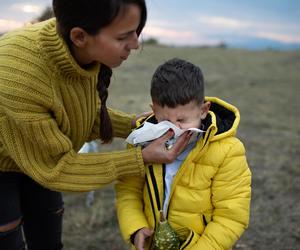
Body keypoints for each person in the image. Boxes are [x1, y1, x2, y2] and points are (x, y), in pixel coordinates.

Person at [0, 1, 191, 249]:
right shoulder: (21, 76)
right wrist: (139, 159)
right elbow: (57, 166)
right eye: (123, 36)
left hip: (41, 148)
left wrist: (139, 124)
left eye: (136, 31)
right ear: (80, 36)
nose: (135, 44)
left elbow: (75, 115)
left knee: (47, 234)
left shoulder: (74, 43)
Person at [116, 58, 252, 250]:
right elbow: (128, 192)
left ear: (203, 111)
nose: (174, 128)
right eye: (164, 120)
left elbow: (231, 216)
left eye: (182, 120)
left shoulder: (228, 151)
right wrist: (136, 228)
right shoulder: (141, 143)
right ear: (154, 110)